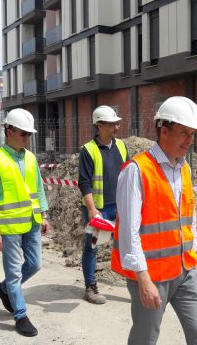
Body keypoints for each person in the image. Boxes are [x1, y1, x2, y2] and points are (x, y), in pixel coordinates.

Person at [111, 96, 197, 345]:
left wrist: (194, 250)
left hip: (186, 270)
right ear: (164, 131)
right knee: (145, 340)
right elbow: (128, 234)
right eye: (184, 133)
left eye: (192, 134)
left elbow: (189, 217)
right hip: (151, 275)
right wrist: (144, 281)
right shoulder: (137, 171)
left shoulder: (185, 168)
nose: (190, 140)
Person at [0, 108, 50, 337]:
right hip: (9, 227)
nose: (26, 138)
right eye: (23, 133)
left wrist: (45, 214)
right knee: (14, 273)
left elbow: (38, 190)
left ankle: (3, 290)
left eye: (29, 134)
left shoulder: (30, 157)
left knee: (35, 264)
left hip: (32, 221)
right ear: (8, 130)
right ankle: (20, 314)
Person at [78, 105, 129, 304]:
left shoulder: (122, 146)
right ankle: (90, 287)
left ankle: (135, 282)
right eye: (111, 124)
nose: (116, 127)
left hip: (120, 206)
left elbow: (128, 175)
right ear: (99, 125)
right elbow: (84, 182)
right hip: (98, 209)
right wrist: (92, 210)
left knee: (128, 243)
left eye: (116, 123)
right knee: (92, 247)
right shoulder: (88, 150)